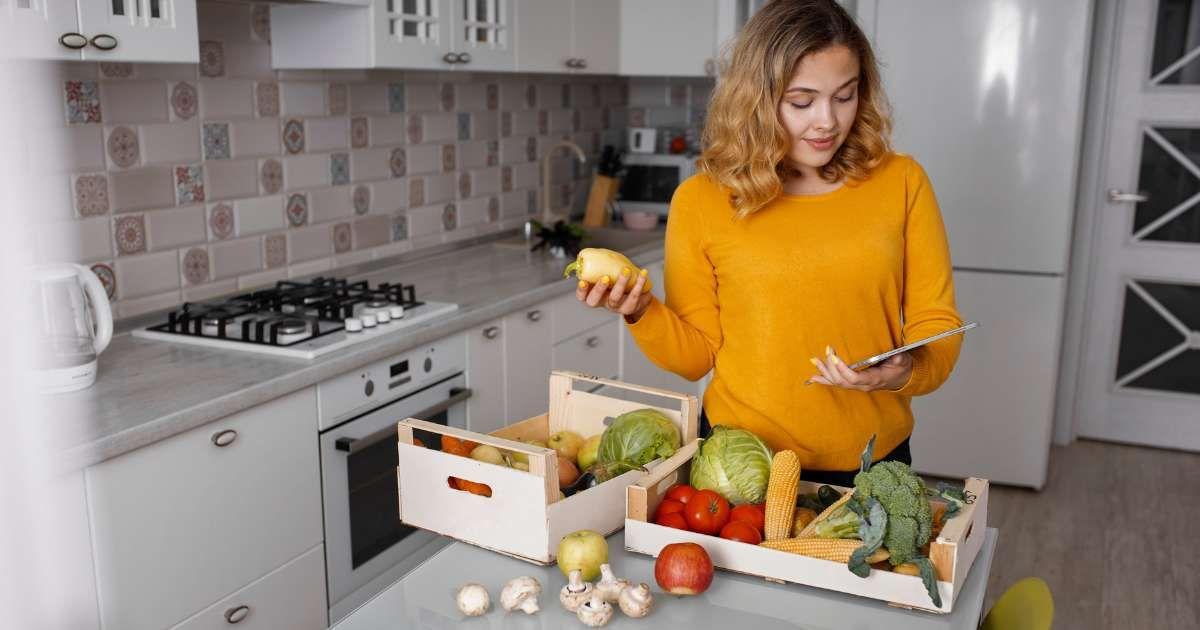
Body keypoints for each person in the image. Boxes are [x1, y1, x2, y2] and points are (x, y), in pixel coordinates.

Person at [574, 0, 963, 487]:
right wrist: (639, 311)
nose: (827, 121)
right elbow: (697, 355)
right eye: (801, 102)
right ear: (756, 99)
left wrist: (901, 373)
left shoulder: (902, 182)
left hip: (872, 465)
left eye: (845, 96)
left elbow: (939, 323)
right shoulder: (702, 200)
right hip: (739, 463)